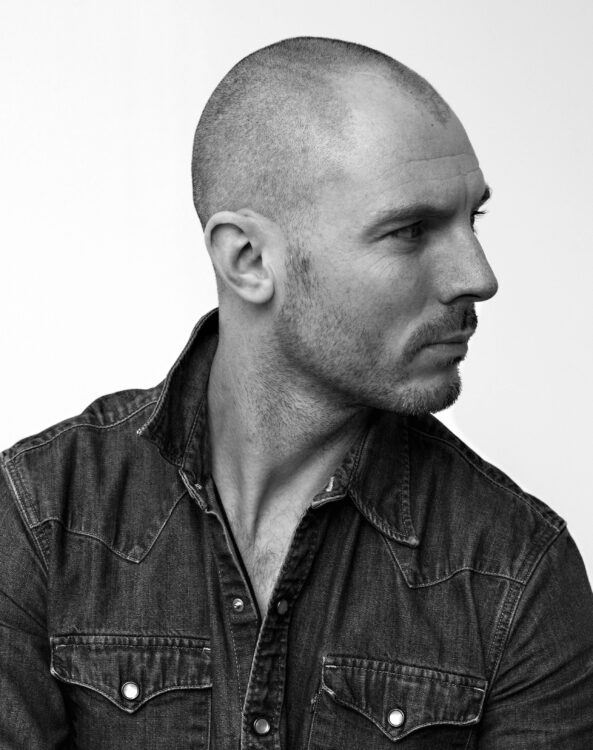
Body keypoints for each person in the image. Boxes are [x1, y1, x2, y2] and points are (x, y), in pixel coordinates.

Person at [1, 36, 592, 750]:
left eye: (473, 220)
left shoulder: (516, 569)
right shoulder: (42, 514)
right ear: (249, 260)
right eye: (410, 231)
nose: (478, 276)